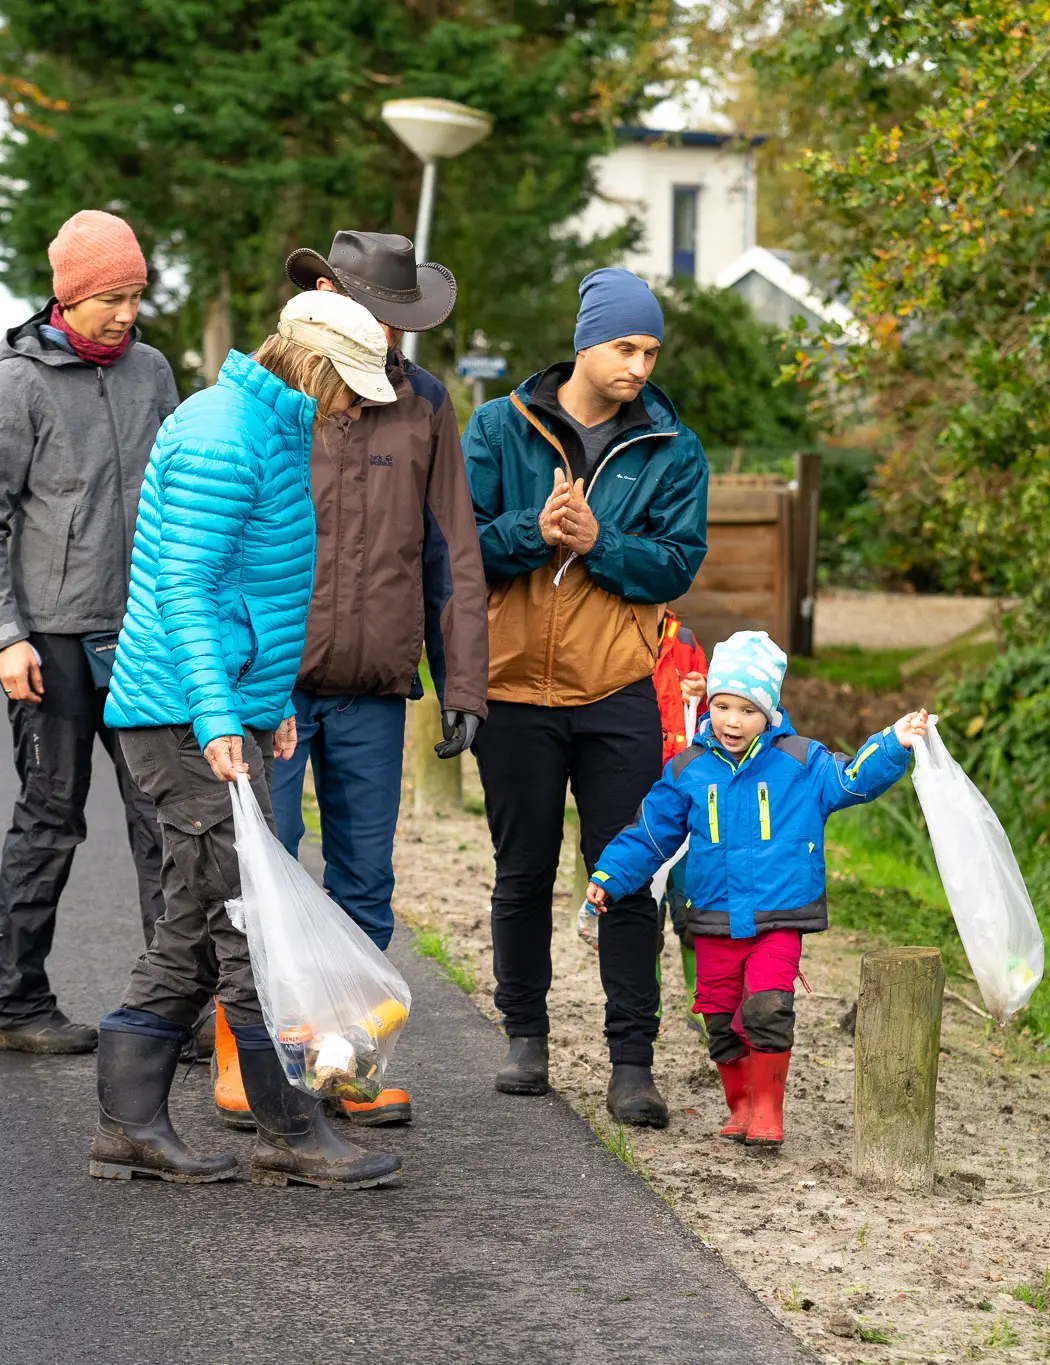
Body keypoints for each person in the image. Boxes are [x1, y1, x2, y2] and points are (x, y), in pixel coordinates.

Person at [90, 291, 403, 1190]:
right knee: (246, 923)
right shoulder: (222, 432)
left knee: (200, 918)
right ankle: (290, 1129)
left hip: (217, 707)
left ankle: (131, 1123)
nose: (357, 408)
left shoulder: (268, 426)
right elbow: (185, 589)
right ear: (314, 365)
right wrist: (221, 713)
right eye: (352, 386)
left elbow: (248, 589)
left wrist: (264, 700)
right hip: (181, 717)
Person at [205, 232, 488, 1134]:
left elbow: (452, 552)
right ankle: (253, 1056)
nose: (395, 337)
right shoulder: (266, 393)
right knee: (263, 868)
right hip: (269, 689)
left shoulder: (426, 403)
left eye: (406, 322)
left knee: (366, 876)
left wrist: (464, 684)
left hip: (372, 681)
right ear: (327, 296)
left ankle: (351, 1058)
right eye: (383, 317)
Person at [464, 267, 710, 1125]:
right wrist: (534, 532)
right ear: (585, 341)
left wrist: (600, 541)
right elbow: (458, 549)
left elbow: (678, 562)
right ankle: (524, 1038)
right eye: (625, 347)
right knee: (523, 871)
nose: (640, 365)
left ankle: (630, 1063)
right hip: (514, 690)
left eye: (651, 350)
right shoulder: (499, 427)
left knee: (629, 877)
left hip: (616, 691)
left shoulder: (673, 448)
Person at [0, 210, 178, 1054]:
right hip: (51, 642)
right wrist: (6, 634)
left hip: (145, 634)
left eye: (135, 297)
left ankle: (172, 1003)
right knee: (51, 818)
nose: (125, 315)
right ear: (69, 296)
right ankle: (13, 1003)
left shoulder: (152, 372)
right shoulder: (16, 385)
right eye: (110, 299)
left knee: (162, 820)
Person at [586, 631, 928, 1148]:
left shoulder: (800, 762)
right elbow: (651, 834)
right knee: (720, 1020)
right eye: (721, 706)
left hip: (778, 916)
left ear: (768, 711)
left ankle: (769, 1109)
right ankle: (740, 1104)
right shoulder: (687, 770)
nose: (730, 720)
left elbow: (852, 780)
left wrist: (892, 743)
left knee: (767, 1008)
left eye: (746, 710)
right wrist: (609, 876)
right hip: (715, 918)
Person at [651, 607, 706, 988]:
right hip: (642, 797)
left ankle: (698, 1001)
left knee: (694, 903)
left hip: (688, 800)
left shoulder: (685, 641)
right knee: (641, 908)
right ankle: (646, 1002)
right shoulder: (614, 636)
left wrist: (704, 692)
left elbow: (715, 714)